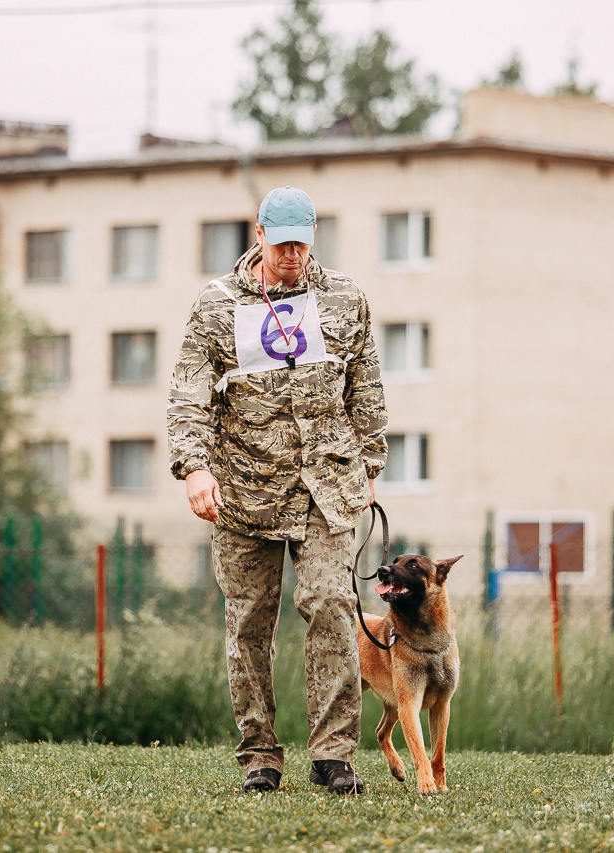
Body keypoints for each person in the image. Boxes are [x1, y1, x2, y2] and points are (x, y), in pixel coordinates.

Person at [168, 186, 388, 795]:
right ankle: (260, 757)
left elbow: (365, 384)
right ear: (259, 234)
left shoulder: (344, 298)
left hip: (327, 484)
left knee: (330, 607)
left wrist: (370, 462)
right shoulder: (215, 306)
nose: (291, 254)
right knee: (248, 624)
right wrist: (194, 468)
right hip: (245, 488)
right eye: (281, 242)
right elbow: (189, 395)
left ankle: (332, 755)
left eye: (301, 243)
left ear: (313, 238)